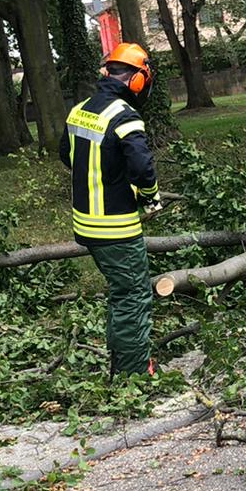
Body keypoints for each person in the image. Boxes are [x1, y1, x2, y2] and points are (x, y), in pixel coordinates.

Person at [60, 43, 160, 377]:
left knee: (121, 293)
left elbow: (67, 155)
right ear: (137, 81)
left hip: (85, 226)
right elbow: (143, 169)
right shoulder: (125, 117)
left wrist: (106, 176)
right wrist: (150, 196)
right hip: (115, 228)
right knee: (134, 295)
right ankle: (133, 376)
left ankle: (120, 364)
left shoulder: (79, 110)